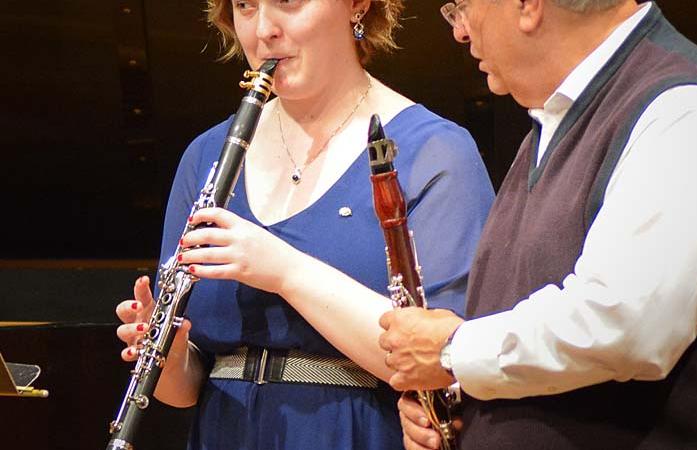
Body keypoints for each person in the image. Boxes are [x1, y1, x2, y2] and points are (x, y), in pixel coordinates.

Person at [379, 1, 697, 449]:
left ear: (526, 6)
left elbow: (623, 325)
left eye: (462, 6)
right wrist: (462, 403)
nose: (460, 32)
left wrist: (451, 352)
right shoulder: (553, 127)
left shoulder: (685, 111)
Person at [114, 0, 495, 448]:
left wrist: (285, 272)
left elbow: (446, 363)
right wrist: (169, 356)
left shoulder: (434, 150)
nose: (264, 30)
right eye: (245, 6)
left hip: (357, 432)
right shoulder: (207, 155)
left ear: (356, 5)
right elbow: (186, 389)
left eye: (288, 3)